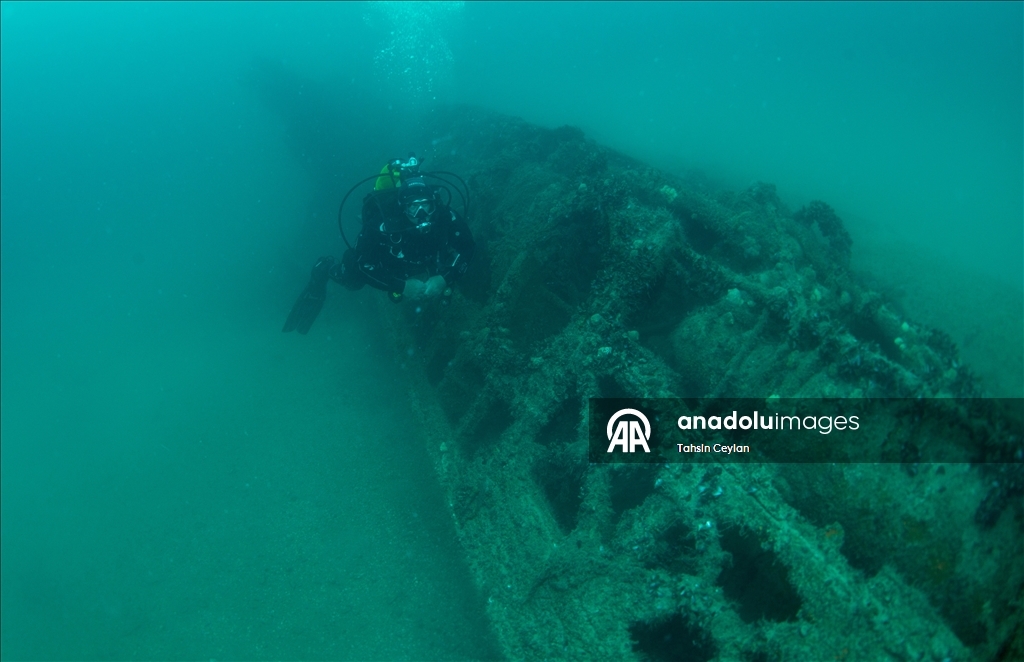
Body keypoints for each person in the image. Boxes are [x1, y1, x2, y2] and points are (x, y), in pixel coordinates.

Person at [283, 155, 474, 334]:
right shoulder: (382, 225)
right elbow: (362, 262)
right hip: (388, 263)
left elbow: (468, 247)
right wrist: (401, 286)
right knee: (352, 279)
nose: (421, 214)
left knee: (446, 267)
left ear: (435, 204)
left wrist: (444, 278)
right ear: (402, 208)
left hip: (425, 259)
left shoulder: (445, 217)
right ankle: (324, 268)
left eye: (426, 205)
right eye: (413, 207)